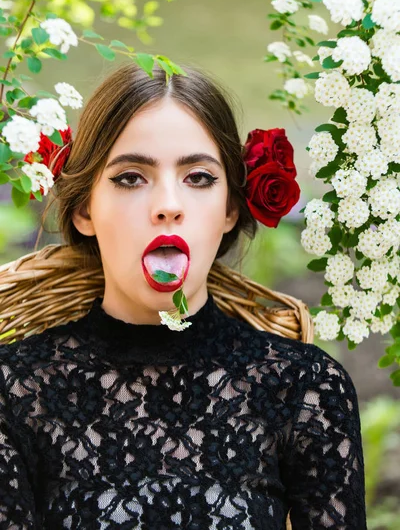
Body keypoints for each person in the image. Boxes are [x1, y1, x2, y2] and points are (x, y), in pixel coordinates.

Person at [0, 63, 367, 529]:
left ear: (231, 209)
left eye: (198, 177)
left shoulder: (305, 389)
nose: (169, 205)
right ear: (83, 210)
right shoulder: (14, 392)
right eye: (131, 177)